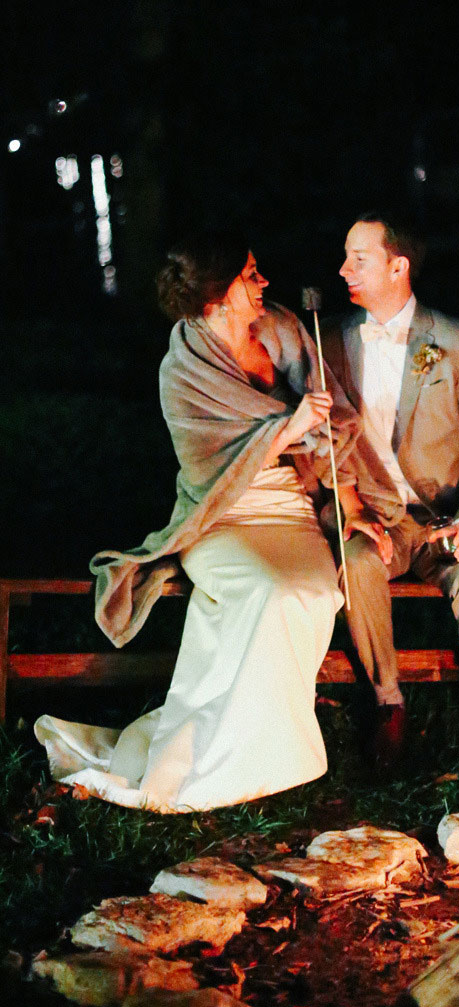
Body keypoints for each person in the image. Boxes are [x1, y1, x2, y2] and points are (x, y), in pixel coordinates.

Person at [35, 231, 385, 812]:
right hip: (223, 516)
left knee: (312, 592)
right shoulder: (181, 370)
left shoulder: (282, 328)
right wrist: (291, 428)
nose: (263, 282)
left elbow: (333, 423)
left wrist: (347, 503)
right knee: (266, 592)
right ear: (213, 299)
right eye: (249, 275)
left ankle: (262, 753)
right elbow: (207, 461)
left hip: (290, 511)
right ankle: (219, 763)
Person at [322, 212, 459, 767]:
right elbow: (327, 444)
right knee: (354, 565)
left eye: (359, 259)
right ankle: (389, 705)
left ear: (397, 266)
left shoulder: (458, 342)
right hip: (376, 519)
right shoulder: (328, 341)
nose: (344, 270)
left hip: (443, 519)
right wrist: (351, 507)